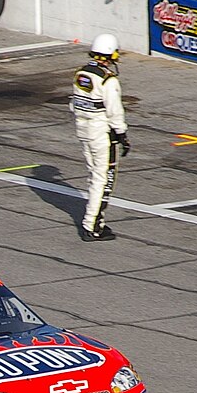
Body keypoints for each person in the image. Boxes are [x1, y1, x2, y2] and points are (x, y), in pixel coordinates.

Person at [70, 34, 131, 242]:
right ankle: (93, 226)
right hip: (100, 133)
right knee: (103, 179)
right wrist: (122, 135)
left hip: (83, 129)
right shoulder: (107, 79)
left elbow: (75, 103)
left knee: (94, 175)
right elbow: (114, 111)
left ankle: (93, 220)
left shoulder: (80, 73)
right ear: (111, 54)